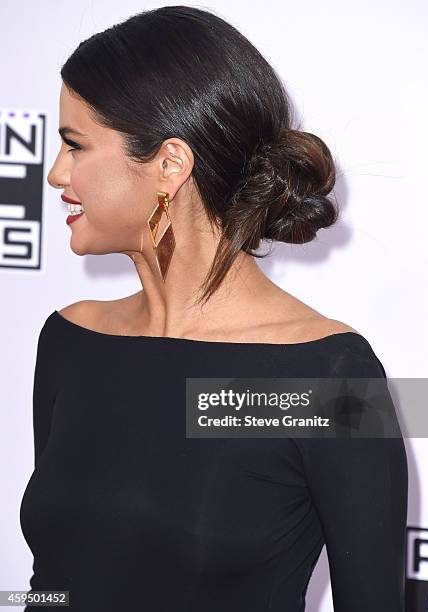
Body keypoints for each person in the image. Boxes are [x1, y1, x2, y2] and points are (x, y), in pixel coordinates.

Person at [19, 5, 408, 611]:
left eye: (75, 145)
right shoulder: (70, 341)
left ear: (170, 165)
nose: (56, 173)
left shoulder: (327, 379)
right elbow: (55, 586)